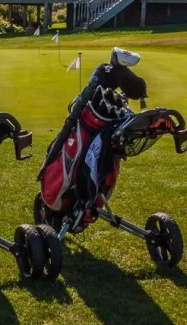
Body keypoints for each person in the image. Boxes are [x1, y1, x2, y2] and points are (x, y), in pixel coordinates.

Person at [38, 48, 147, 217]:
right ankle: (84, 200)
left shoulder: (110, 72)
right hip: (97, 125)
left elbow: (136, 90)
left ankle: (84, 200)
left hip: (96, 124)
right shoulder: (107, 71)